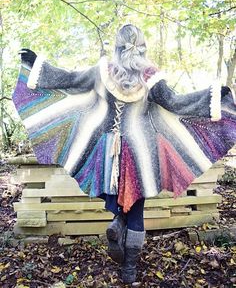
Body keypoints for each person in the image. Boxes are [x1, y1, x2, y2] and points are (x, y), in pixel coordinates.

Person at [14, 24, 236, 284]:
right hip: (140, 155)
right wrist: (212, 99)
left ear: (117, 44)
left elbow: (70, 80)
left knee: (118, 199)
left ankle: (117, 224)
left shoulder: (103, 71)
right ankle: (129, 268)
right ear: (142, 46)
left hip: (106, 154)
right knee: (137, 208)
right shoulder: (150, 76)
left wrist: (36, 66)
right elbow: (176, 103)